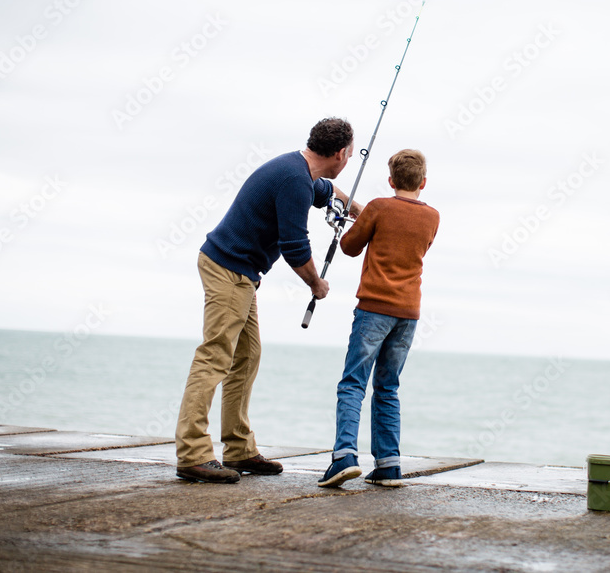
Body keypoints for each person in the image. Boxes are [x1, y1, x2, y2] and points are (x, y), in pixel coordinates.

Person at [175, 117, 362, 483]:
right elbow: (295, 246)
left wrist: (354, 205)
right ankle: (193, 453)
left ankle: (240, 449)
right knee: (214, 357)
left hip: (241, 272)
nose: (349, 160)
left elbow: (324, 189)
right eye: (351, 154)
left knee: (246, 357)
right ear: (340, 153)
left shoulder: (299, 172)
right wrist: (316, 284)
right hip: (229, 268)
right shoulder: (294, 180)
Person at [318, 149, 440, 488]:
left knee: (353, 383)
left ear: (391, 180)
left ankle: (343, 455)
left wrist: (357, 222)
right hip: (408, 313)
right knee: (387, 387)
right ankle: (388, 464)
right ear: (423, 182)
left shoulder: (378, 206)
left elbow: (350, 246)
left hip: (374, 308)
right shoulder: (433, 217)